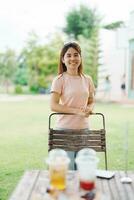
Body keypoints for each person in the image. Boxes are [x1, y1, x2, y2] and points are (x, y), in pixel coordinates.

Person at [50, 42, 95, 169]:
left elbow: (91, 100)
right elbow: (53, 105)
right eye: (68, 55)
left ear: (80, 58)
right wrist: (77, 111)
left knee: (83, 170)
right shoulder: (59, 80)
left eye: (76, 55)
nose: (73, 58)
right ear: (63, 59)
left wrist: (89, 108)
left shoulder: (88, 80)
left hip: (84, 130)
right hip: (64, 131)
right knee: (67, 171)